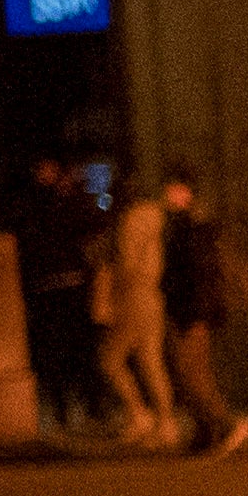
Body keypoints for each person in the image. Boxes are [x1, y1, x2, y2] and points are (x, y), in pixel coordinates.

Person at [154, 169, 245, 455]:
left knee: (191, 375)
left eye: (175, 189)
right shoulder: (182, 225)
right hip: (189, 310)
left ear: (188, 192)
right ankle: (205, 432)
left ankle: (226, 423)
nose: (168, 194)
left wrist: (194, 312)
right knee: (192, 372)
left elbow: (195, 275)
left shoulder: (190, 228)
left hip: (191, 312)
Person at [15, 154, 102, 428]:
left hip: (70, 282)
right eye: (41, 168)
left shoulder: (68, 199)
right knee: (54, 351)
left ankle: (91, 406)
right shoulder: (33, 203)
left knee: (79, 347)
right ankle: (63, 408)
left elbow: (87, 226)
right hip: (48, 286)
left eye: (49, 167)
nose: (45, 173)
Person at [95, 171, 179, 448]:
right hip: (154, 296)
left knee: (110, 359)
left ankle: (139, 414)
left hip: (134, 296)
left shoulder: (129, 222)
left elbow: (126, 264)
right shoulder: (157, 218)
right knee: (151, 361)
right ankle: (166, 423)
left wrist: (109, 298)